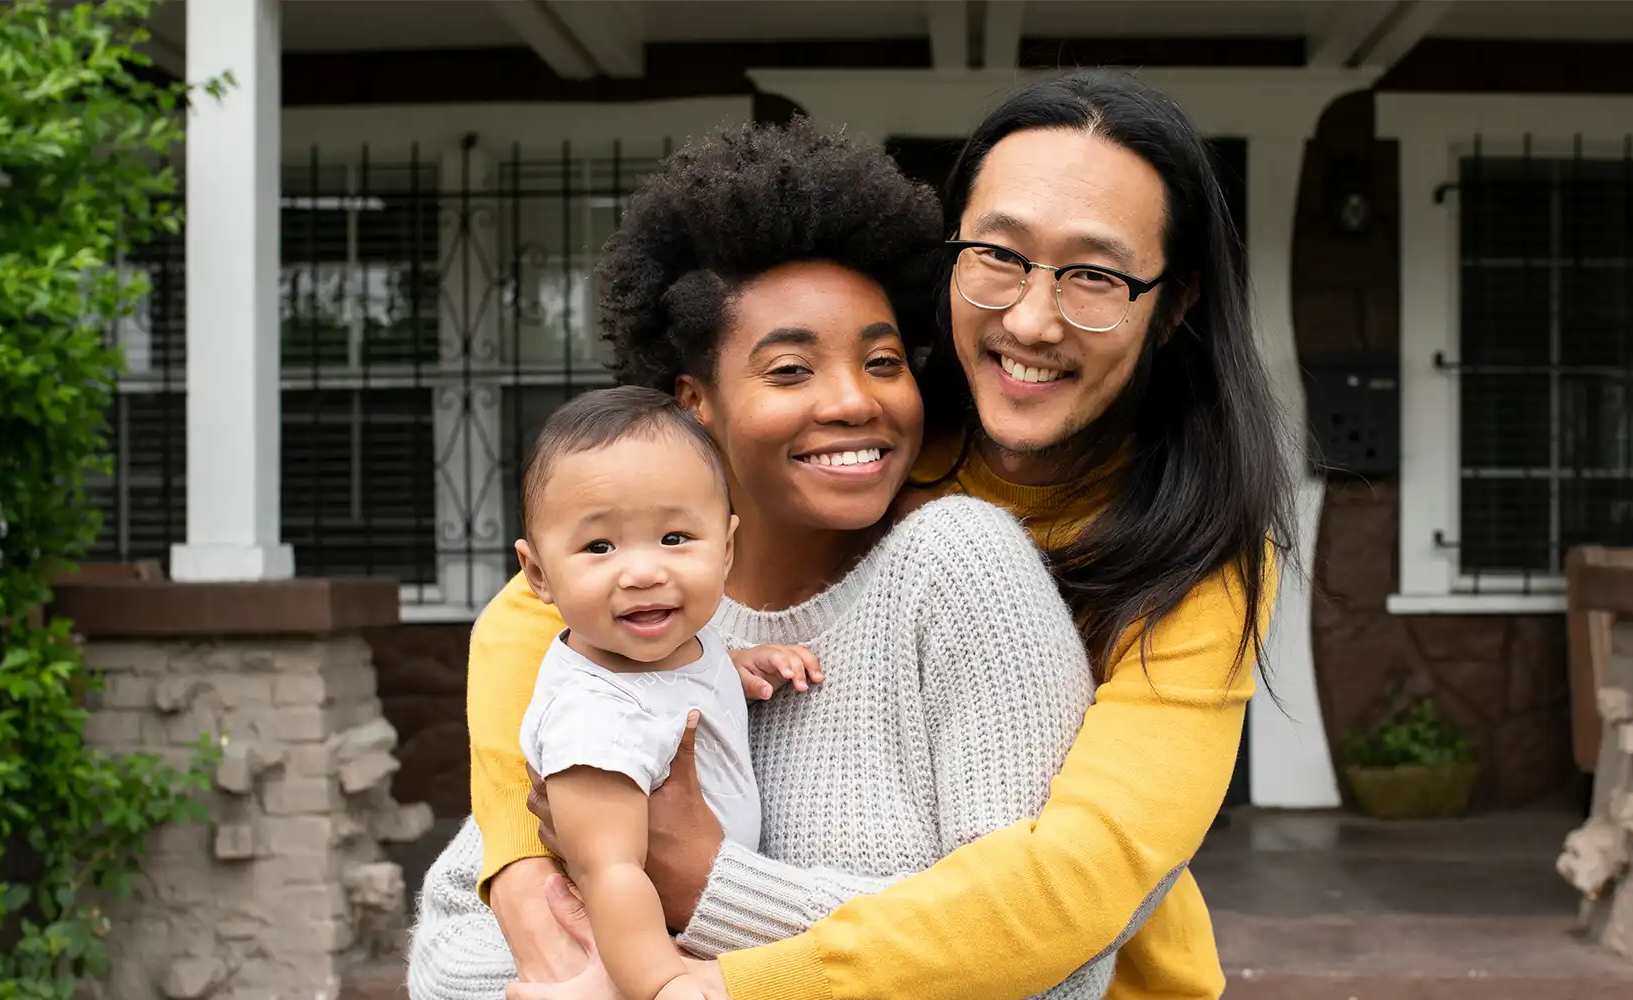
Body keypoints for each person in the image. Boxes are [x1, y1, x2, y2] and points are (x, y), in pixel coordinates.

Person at [484, 68, 1293, 1000]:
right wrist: (520, 870)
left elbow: (1082, 886)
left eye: (1096, 275)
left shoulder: (1195, 548)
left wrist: (719, 945)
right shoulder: (877, 438)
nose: (1031, 319)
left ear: (1173, 301)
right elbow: (536, 614)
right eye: (999, 255)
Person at [407, 118, 1113, 1000]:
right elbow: (455, 954)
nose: (855, 400)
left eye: (884, 361)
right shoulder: (632, 621)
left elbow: (1055, 966)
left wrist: (704, 889)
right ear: (696, 405)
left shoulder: (958, 569)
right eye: (789, 371)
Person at [507, 386, 821, 1000]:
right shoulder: (594, 722)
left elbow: (674, 686)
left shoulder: (675, 647)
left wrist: (735, 667)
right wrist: (663, 983)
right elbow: (611, 871)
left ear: (726, 548)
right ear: (539, 574)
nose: (645, 571)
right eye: (600, 547)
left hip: (697, 914)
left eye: (675, 538)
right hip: (624, 942)